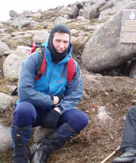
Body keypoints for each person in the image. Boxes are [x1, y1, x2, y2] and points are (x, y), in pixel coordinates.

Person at [11, 24, 88, 163]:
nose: (61, 45)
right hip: (31, 110)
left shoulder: (72, 65)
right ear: (51, 39)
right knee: (23, 109)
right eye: (58, 40)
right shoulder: (34, 59)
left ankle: (44, 146)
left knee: (80, 118)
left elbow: (75, 93)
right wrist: (52, 101)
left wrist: (59, 109)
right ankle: (20, 156)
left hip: (53, 113)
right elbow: (24, 92)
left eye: (65, 42)